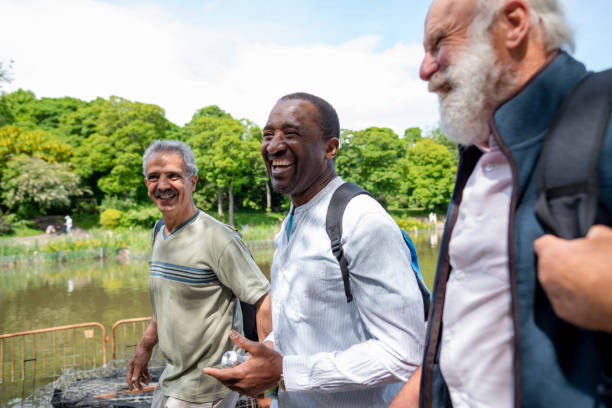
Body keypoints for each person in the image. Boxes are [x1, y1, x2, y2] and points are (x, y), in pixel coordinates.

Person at [389, 0, 612, 407]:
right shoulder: (478, 154)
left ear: (513, 23)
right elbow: (471, 332)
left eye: (439, 43)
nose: (424, 69)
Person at [203, 93, 426, 407]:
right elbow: (296, 325)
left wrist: (284, 372)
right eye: (268, 135)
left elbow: (403, 353)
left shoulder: (362, 220)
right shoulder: (291, 223)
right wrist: (260, 360)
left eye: (291, 134)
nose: (274, 146)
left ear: (330, 147)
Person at [127, 140, 272, 408]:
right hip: (172, 377)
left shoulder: (217, 238)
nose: (162, 186)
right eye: (153, 177)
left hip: (207, 386)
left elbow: (264, 300)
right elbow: (166, 301)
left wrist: (267, 373)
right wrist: (145, 347)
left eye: (173, 176)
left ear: (193, 181)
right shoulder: (159, 231)